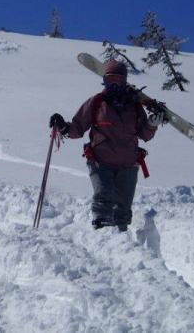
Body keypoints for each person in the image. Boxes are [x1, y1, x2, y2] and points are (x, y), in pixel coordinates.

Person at [49, 60, 164, 232]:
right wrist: (64, 127)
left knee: (123, 208)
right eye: (111, 80)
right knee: (103, 198)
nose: (114, 84)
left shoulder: (134, 106)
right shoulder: (96, 102)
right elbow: (78, 128)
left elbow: (144, 134)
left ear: (125, 81)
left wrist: (152, 124)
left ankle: (122, 239)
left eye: (118, 80)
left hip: (128, 164)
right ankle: (101, 232)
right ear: (104, 81)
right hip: (100, 162)